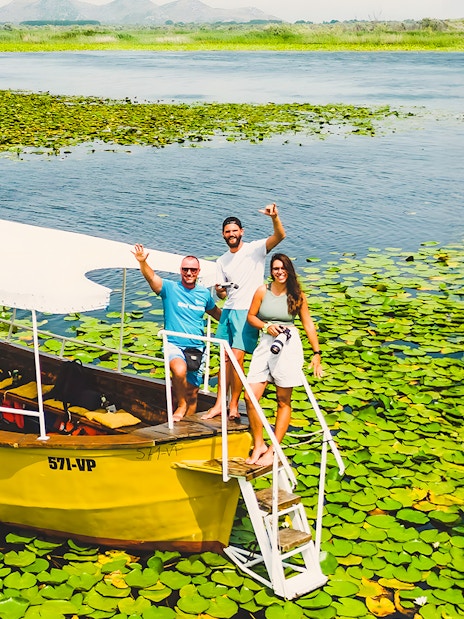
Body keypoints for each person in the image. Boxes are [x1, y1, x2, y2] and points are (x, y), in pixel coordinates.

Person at [201, 203, 285, 421]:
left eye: (234, 231)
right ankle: (219, 403)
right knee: (224, 359)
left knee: (237, 359)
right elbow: (222, 295)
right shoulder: (221, 260)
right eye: (227, 232)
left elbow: (280, 236)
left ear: (242, 232)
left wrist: (274, 217)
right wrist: (219, 291)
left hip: (247, 311)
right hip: (229, 310)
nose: (231, 235)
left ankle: (233, 406)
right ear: (223, 235)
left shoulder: (255, 249)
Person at [244, 253, 323, 466]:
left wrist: (317, 353)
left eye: (282, 268)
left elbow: (308, 324)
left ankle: (273, 450)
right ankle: (259, 443)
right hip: (266, 342)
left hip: (288, 345)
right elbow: (251, 316)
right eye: (275, 268)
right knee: (250, 397)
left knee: (283, 400)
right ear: (271, 271)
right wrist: (265, 326)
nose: (279, 272)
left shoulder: (298, 295)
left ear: (289, 270)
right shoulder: (262, 291)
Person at [132, 244, 221, 422]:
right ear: (180, 270)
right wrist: (143, 262)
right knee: (179, 371)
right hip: (174, 343)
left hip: (196, 347)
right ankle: (181, 405)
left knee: (193, 394)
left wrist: (239, 323)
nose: (189, 273)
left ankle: (186, 428)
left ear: (198, 271)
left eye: (193, 270)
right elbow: (152, 279)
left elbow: (217, 313)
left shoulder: (204, 294)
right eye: (185, 269)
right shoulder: (170, 288)